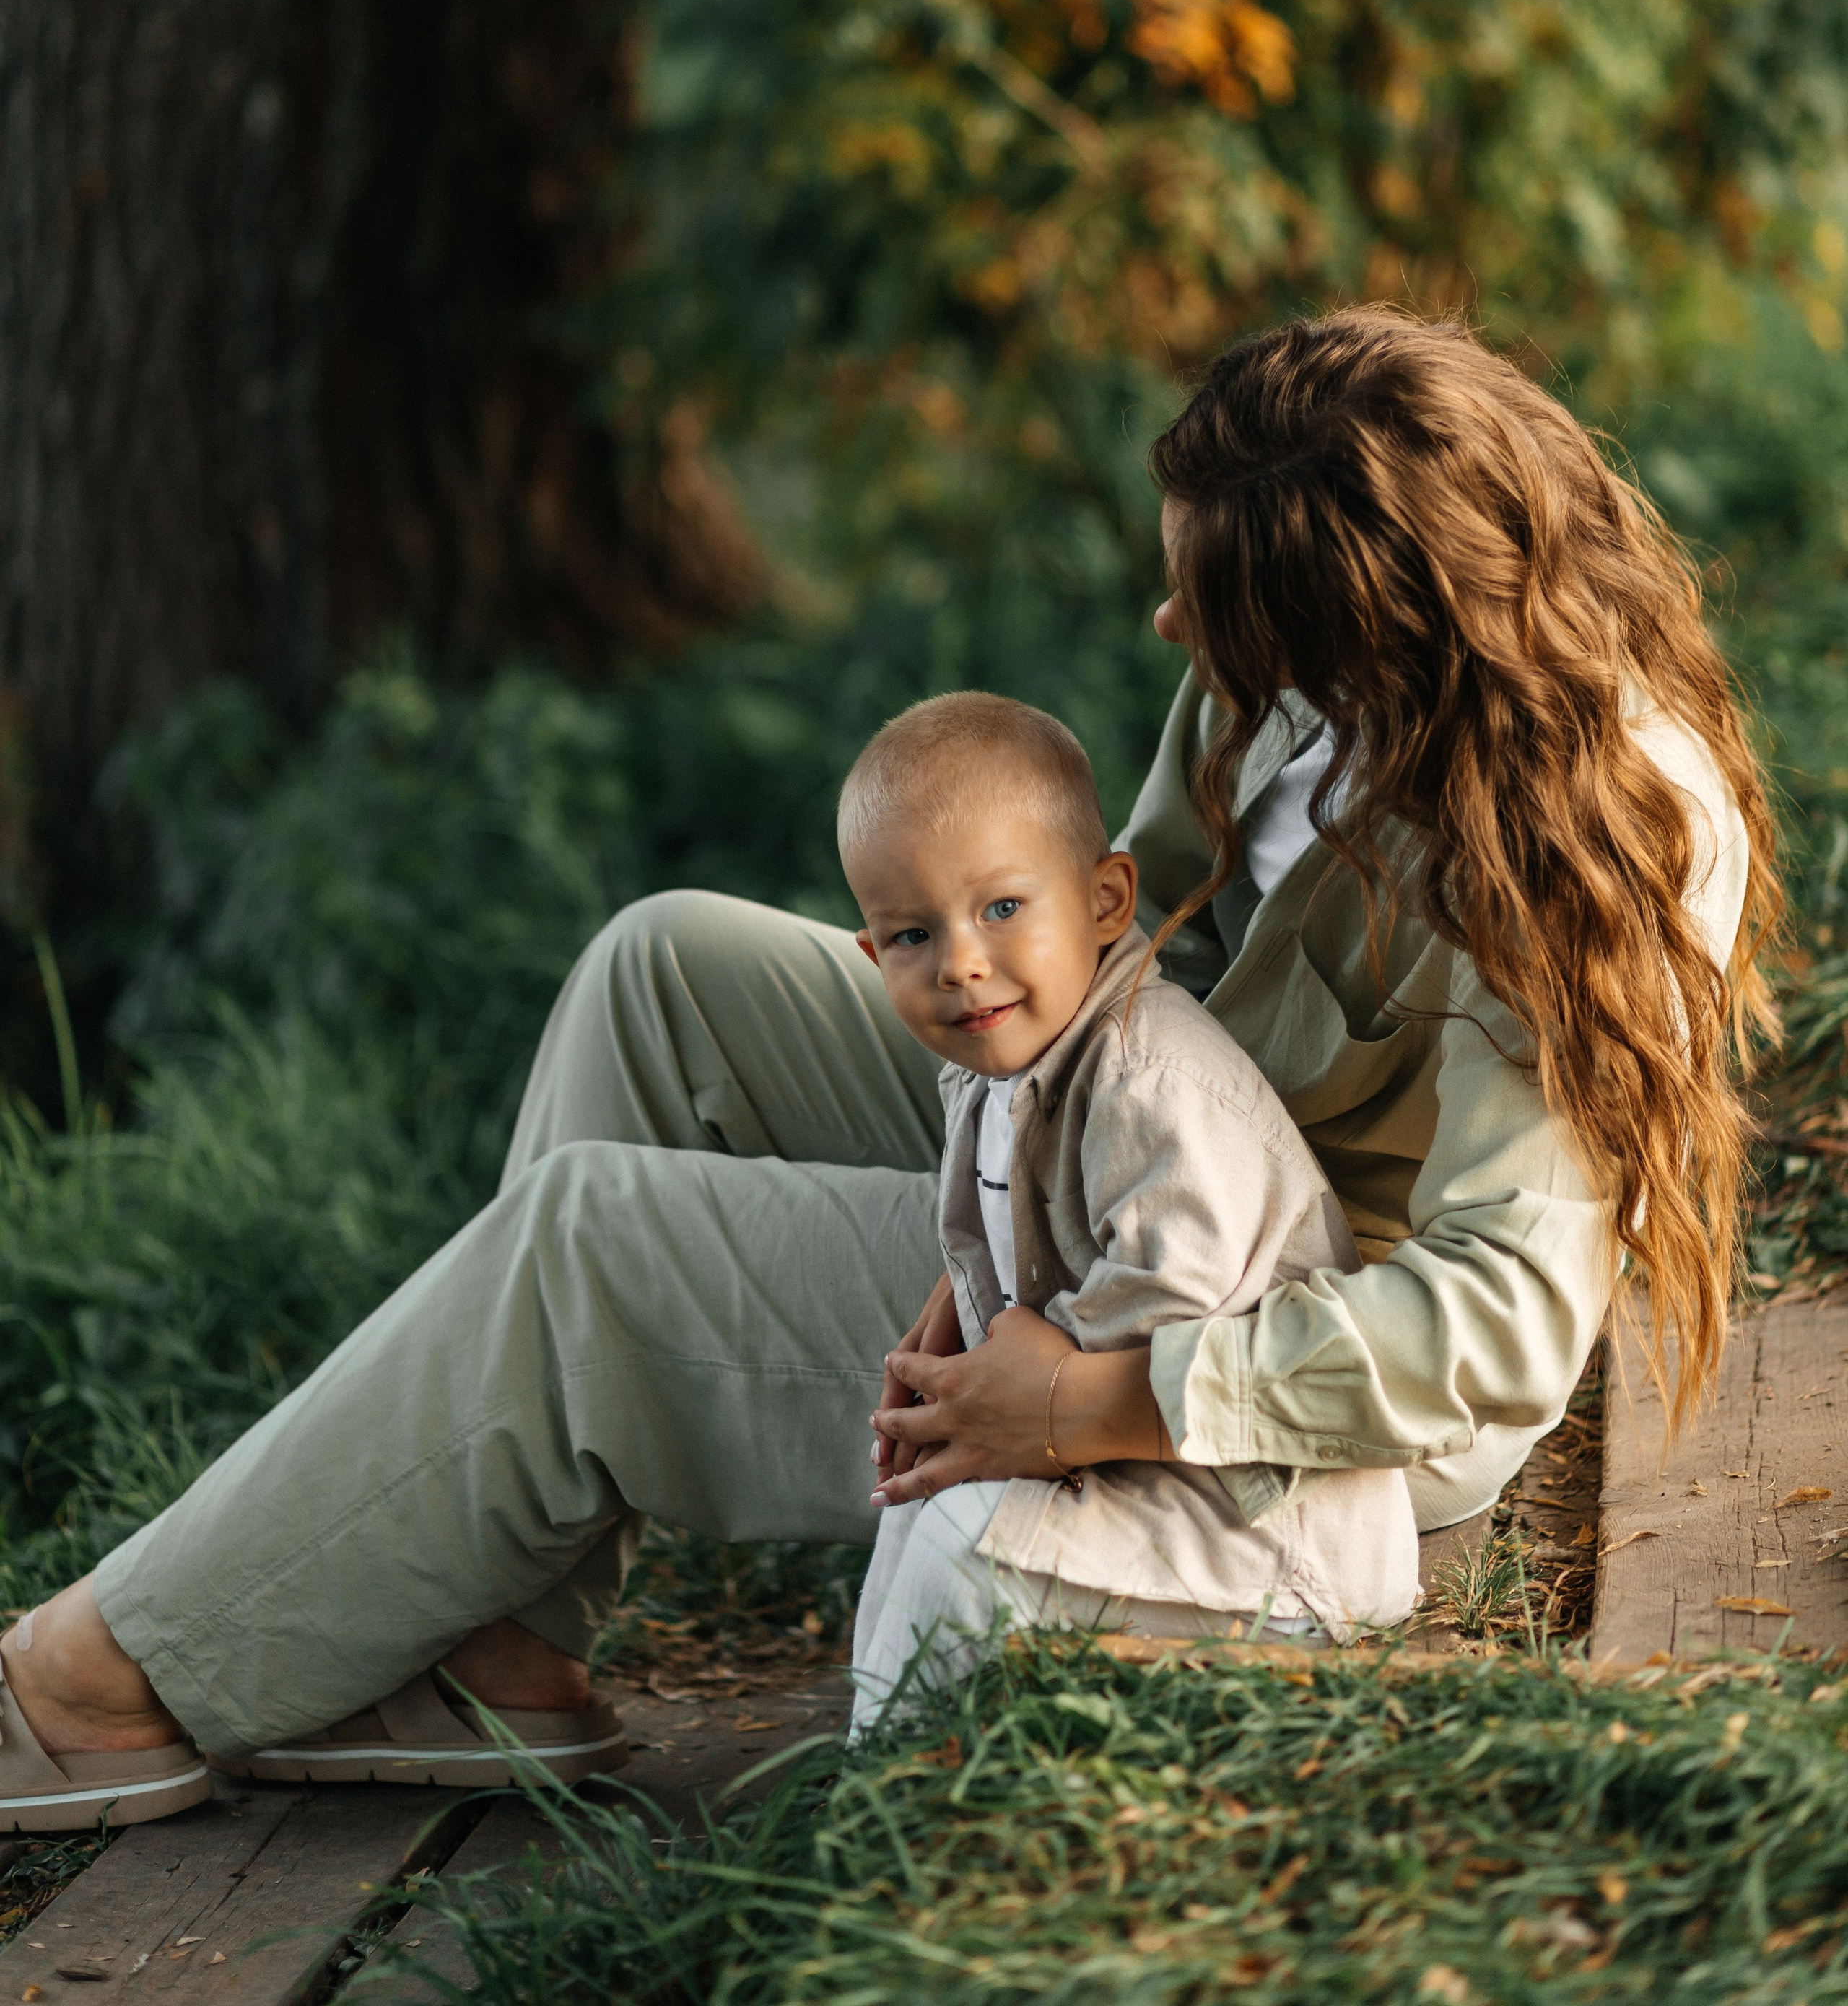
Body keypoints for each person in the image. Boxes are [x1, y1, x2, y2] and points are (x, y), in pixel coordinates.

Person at [0, 307, 1776, 1832]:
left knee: (590, 1249)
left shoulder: (1593, 832)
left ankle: (101, 1686)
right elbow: (1126, 943)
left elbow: (1497, 1329)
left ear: (1371, 616)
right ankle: (504, 1652)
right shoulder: (1300, 680)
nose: (1173, 634)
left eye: (1212, 610)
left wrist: (1084, 1399)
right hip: (1152, 1156)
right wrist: (990, 1187)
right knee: (664, 972)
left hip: (1268, 1354)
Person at [837, 692, 1416, 1725]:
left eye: (1001, 909)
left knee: (966, 1551)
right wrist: (970, 1351)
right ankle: (872, 1756)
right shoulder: (995, 1062)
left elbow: (1175, 1297)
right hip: (1133, 1467)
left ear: (1106, 902)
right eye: (914, 934)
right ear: (876, 957)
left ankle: (899, 1794)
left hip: (1273, 1534)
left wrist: (1025, 1362)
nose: (961, 962)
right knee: (921, 1506)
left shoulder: (1153, 1085)